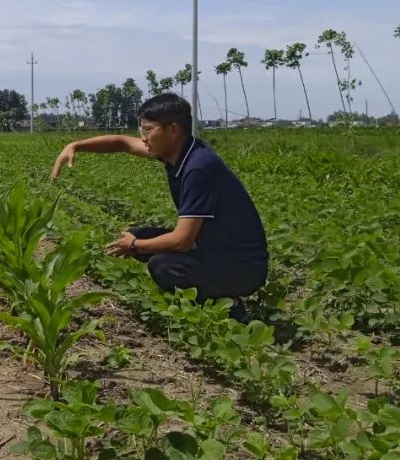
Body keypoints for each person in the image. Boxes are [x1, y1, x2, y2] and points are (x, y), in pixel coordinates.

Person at [51, 93, 267, 320]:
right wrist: (75, 145)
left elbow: (181, 241)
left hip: (243, 266)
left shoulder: (198, 169)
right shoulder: (179, 151)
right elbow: (122, 143)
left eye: (148, 130)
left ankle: (227, 304)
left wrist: (134, 246)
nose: (143, 138)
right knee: (140, 235)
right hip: (215, 246)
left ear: (172, 130)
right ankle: (206, 289)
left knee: (163, 265)